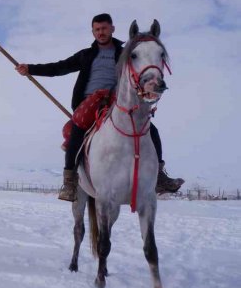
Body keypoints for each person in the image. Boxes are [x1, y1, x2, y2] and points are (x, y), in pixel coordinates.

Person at [15, 13, 184, 202]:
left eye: (104, 28)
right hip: (89, 102)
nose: (101, 32)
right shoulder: (85, 55)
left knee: (150, 129)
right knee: (77, 131)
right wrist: (30, 69)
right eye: (97, 29)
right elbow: (59, 67)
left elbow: (141, 69)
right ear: (93, 32)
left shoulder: (126, 53)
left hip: (118, 101)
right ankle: (70, 181)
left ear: (112, 29)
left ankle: (159, 176)